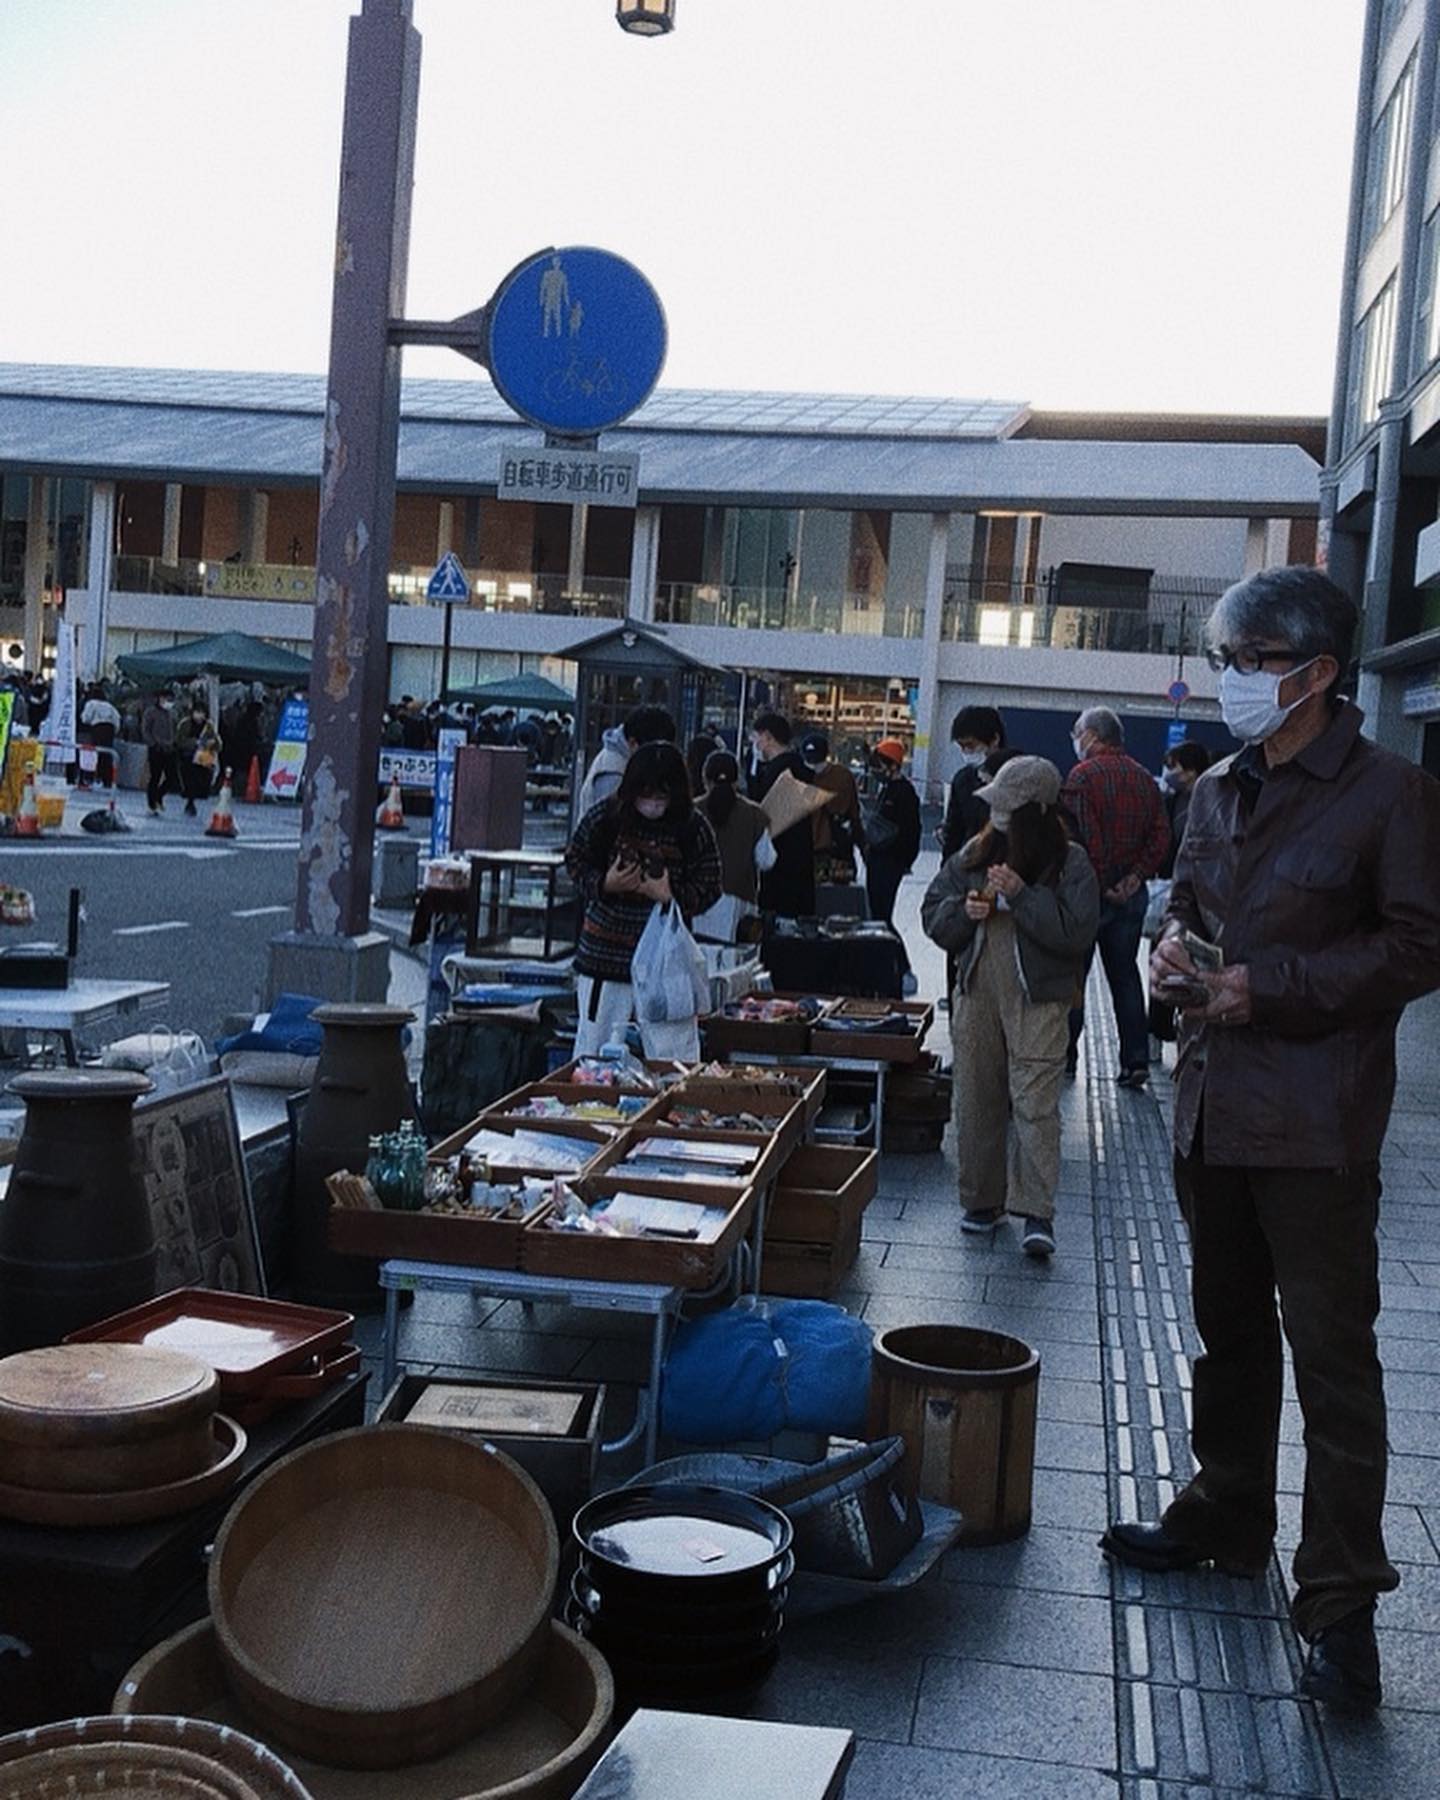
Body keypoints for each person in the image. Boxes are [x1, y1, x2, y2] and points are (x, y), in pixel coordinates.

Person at [1099, 566, 1440, 1717]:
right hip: (1212, 1107)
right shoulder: (1217, 788)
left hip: (1316, 1123)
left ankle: (1341, 1608)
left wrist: (1270, 986)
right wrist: (1173, 954)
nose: (1233, 680)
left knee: (1335, 1368)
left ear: (1318, 673)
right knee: (1228, 1336)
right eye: (1229, 659)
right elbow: (1192, 905)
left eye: (1252, 661)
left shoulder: (1390, 794)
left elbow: (1418, 947)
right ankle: (1226, 1514)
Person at [922, 756, 1099, 1256]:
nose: (996, 815)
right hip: (978, 990)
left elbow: (1077, 932)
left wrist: (1022, 896)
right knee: (976, 1096)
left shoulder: (1071, 862)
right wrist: (965, 911)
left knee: (1035, 1104)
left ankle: (1037, 1212)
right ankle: (981, 1201)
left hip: (1039, 999)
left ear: (1036, 810)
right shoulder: (975, 851)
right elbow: (933, 911)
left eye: (1008, 806)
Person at [564, 741, 723, 1060]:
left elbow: (711, 884)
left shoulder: (692, 827)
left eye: (662, 796)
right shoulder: (606, 818)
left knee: (672, 1056)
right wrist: (605, 883)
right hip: (606, 958)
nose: (652, 804)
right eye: (645, 795)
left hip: (668, 965)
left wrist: (670, 896)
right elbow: (575, 860)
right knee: (596, 1055)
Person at [1062, 706, 1171, 1087]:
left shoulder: (1081, 777)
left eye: (1077, 732)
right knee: (1125, 975)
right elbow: (1161, 835)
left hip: (1089, 894)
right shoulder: (1145, 779)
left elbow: (1085, 836)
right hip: (1132, 895)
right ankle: (1135, 1060)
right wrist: (1135, 876)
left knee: (1074, 976)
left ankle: (1065, 1056)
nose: (1075, 740)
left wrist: (1105, 880)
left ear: (1092, 735)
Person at [692, 750, 776, 940]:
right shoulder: (755, 815)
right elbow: (767, 861)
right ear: (737, 781)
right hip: (741, 906)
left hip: (697, 905)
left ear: (705, 779)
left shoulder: (691, 813)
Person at [863, 738, 922, 986]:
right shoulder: (887, 789)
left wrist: (903, 860)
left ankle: (902, 966)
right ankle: (885, 964)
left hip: (890, 862)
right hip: (878, 859)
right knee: (877, 914)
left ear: (893, 766)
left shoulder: (904, 793)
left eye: (879, 765)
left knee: (882, 917)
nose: (875, 771)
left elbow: (911, 832)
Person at [747, 711, 817, 918]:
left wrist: (753, 774)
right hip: (799, 860)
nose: (754, 744)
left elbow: (760, 809)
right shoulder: (799, 768)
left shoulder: (778, 772)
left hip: (778, 861)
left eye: (757, 737)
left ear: (768, 737)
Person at [575, 704, 677, 816]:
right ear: (633, 743)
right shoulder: (613, 775)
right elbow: (608, 821)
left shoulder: (619, 761)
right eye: (653, 753)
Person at [940, 705, 1006, 859]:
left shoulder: (1018, 776)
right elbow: (954, 832)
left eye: (970, 745)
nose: (966, 752)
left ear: (994, 739)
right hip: (970, 862)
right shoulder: (963, 780)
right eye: (961, 746)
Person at [800, 731, 862, 888]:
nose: (814, 766)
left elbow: (853, 812)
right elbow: (854, 813)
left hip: (826, 847)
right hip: (833, 847)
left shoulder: (840, 777)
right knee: (836, 894)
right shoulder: (843, 776)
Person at [1158, 739, 1212, 878]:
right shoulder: (1171, 801)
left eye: (1173, 766)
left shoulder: (1213, 800)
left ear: (1191, 770)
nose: (1169, 772)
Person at [175, 701, 221, 817]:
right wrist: (194, 743)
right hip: (188, 756)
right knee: (190, 779)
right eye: (197, 712)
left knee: (202, 780)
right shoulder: (185, 724)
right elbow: (179, 740)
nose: (199, 715)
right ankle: (190, 802)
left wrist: (211, 744)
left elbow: (217, 742)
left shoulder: (208, 725)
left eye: (202, 713)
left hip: (203, 757)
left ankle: (195, 799)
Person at [141, 689, 178, 816]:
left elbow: (174, 730)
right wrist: (153, 743)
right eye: (166, 699)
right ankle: (152, 804)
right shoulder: (151, 712)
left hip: (169, 749)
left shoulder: (172, 713)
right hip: (156, 749)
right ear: (160, 698)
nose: (168, 702)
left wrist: (174, 743)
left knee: (172, 777)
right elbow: (145, 730)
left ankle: (158, 795)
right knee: (155, 777)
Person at [80, 684, 121, 789]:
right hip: (110, 729)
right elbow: (117, 719)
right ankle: (107, 780)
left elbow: (86, 718)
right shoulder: (110, 706)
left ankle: (91, 778)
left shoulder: (91, 703)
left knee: (94, 753)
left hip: (97, 728)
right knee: (107, 754)